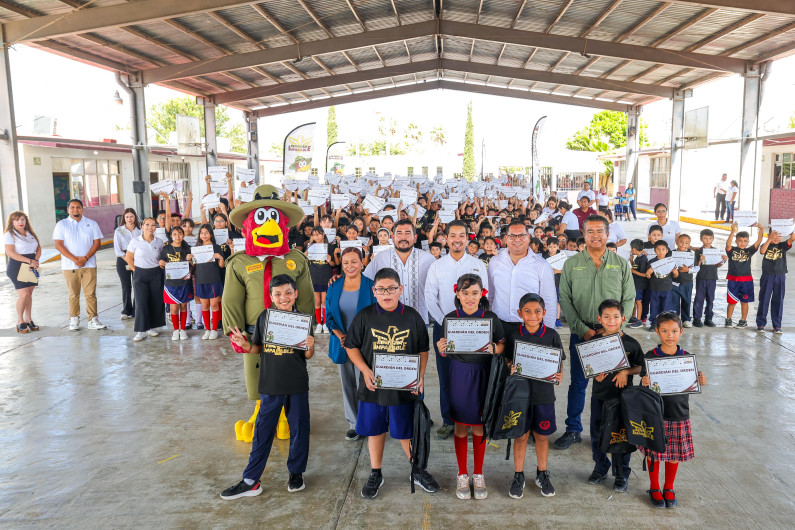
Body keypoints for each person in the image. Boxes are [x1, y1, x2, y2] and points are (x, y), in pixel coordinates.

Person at [344, 267, 440, 499]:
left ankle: (417, 470)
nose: (387, 293)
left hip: (403, 387)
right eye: (381, 289)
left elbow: (422, 350)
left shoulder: (412, 316)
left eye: (391, 288)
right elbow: (351, 346)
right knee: (375, 431)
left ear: (400, 290)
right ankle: (376, 472)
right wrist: (365, 370)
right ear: (374, 291)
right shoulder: (365, 315)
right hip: (373, 386)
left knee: (406, 431)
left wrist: (420, 376)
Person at [220, 275, 315, 500]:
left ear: (296, 294)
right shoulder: (265, 317)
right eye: (278, 294)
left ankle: (296, 473)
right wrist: (246, 345)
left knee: (299, 430)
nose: (284, 297)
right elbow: (258, 348)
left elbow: (308, 355)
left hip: (296, 383)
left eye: (288, 293)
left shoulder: (303, 319)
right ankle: (251, 480)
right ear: (271, 296)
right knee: (263, 432)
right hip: (271, 385)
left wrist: (311, 346)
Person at [555, 215, 635, 450]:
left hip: (613, 336)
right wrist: (583, 329)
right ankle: (573, 430)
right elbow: (565, 300)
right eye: (590, 231)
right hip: (582, 334)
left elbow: (629, 298)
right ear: (583, 234)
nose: (595, 235)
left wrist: (617, 327)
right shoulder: (572, 264)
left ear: (608, 234)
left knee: (610, 385)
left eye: (600, 230)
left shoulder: (621, 265)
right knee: (578, 384)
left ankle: (606, 431)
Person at [436, 274, 504, 500]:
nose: (470, 298)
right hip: (459, 374)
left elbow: (503, 344)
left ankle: (478, 473)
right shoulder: (449, 318)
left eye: (474, 293)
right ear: (457, 294)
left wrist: (496, 349)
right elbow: (446, 350)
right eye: (465, 293)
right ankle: (462, 473)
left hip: (483, 374)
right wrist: (441, 347)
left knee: (479, 426)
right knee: (460, 425)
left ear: (482, 293)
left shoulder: (491, 318)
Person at [425, 220, 489, 440]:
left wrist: (471, 322)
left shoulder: (478, 264)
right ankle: (448, 420)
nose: (457, 239)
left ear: (467, 237)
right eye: (452, 235)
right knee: (447, 376)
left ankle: (476, 417)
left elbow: (485, 294)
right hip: (445, 328)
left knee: (476, 374)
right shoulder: (437, 266)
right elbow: (429, 298)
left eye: (461, 235)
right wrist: (449, 322)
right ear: (446, 238)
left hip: (475, 329)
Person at [640, 312, 707, 508]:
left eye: (674, 331)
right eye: (665, 331)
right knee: (654, 453)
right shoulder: (650, 356)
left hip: (678, 413)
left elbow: (692, 381)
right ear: (657, 331)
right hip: (655, 414)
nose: (670, 335)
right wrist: (644, 382)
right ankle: (654, 487)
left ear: (681, 332)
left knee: (673, 454)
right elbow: (643, 385)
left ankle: (668, 487)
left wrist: (701, 380)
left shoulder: (686, 358)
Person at [506, 293, 564, 500]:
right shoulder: (513, 334)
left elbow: (559, 360)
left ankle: (542, 473)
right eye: (527, 311)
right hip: (519, 395)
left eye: (537, 311)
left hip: (543, 395)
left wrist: (559, 373)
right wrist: (510, 367)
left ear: (544, 313)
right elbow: (506, 360)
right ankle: (518, 475)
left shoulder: (551, 335)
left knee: (541, 435)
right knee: (520, 435)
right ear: (520, 313)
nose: (532, 315)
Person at [588, 299, 644, 492]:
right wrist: (595, 373)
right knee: (597, 433)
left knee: (621, 436)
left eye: (615, 316)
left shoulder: (631, 343)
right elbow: (587, 367)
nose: (611, 320)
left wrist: (625, 372)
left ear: (623, 318)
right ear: (599, 319)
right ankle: (600, 467)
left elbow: (642, 367)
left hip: (623, 398)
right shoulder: (594, 342)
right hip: (600, 396)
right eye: (606, 316)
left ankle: (621, 474)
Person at [325, 247, 376, 442]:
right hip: (342, 342)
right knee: (347, 383)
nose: (349, 266)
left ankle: (367, 421)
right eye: (345, 262)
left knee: (365, 383)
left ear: (362, 263)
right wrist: (340, 335)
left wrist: (359, 337)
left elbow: (374, 315)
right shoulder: (334, 286)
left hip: (364, 343)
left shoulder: (371, 286)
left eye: (354, 261)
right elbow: (329, 315)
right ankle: (354, 424)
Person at [487, 220, 557, 349]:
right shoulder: (494, 263)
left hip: (530, 328)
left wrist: (546, 333)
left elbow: (549, 301)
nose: (517, 239)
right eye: (512, 236)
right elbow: (490, 296)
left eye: (522, 235)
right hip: (499, 327)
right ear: (506, 238)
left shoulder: (541, 265)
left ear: (528, 238)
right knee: (499, 367)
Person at [363, 219, 436, 327]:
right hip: (388, 321)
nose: (403, 237)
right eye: (399, 233)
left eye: (407, 233)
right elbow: (364, 280)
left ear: (415, 238)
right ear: (393, 238)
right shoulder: (381, 258)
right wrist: (341, 279)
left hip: (419, 320)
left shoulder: (428, 259)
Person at [53, 199, 106, 331]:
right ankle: (74, 319)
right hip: (69, 266)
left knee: (90, 294)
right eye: (72, 207)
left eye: (78, 207)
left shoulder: (91, 224)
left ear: (82, 209)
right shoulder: (61, 224)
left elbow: (97, 243)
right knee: (73, 294)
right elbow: (58, 245)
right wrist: (75, 259)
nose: (75, 209)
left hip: (89, 265)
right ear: (68, 210)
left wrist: (85, 258)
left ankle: (93, 319)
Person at [125, 217, 166, 341]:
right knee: (141, 302)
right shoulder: (135, 241)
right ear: (142, 226)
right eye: (147, 224)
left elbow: (162, 258)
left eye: (153, 225)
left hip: (156, 274)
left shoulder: (159, 241)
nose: (150, 227)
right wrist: (135, 270)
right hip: (140, 274)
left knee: (155, 301)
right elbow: (129, 257)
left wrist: (162, 264)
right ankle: (141, 330)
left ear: (156, 227)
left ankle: (151, 327)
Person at [4, 211, 41, 333]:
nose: (20, 222)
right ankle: (19, 321)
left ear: (26, 221)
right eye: (17, 220)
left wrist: (35, 260)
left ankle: (28, 319)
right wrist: (29, 261)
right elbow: (10, 253)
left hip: (31, 265)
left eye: (23, 219)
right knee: (23, 294)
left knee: (29, 294)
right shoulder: (10, 235)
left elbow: (38, 247)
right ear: (12, 222)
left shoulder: (30, 233)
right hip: (17, 266)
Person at [724, 222, 763, 328]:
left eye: (745, 241)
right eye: (740, 241)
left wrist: (761, 230)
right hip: (733, 280)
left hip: (746, 281)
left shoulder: (749, 251)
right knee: (731, 302)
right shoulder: (731, 250)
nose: (742, 243)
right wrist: (732, 231)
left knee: (744, 302)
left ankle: (743, 320)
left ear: (748, 242)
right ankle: (728, 319)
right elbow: (727, 244)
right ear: (736, 241)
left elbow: (759, 241)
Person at [159, 225, 194, 341]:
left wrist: (190, 260)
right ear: (171, 236)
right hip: (171, 284)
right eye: (175, 234)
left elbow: (193, 268)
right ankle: (175, 330)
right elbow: (161, 264)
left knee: (184, 306)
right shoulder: (166, 249)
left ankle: (182, 330)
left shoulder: (188, 248)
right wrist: (161, 263)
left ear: (183, 235)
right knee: (174, 308)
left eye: (180, 233)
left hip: (184, 282)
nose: (177, 236)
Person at [756, 228, 794, 333]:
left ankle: (777, 325)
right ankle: (761, 323)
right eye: (774, 236)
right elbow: (762, 251)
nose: (776, 238)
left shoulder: (783, 246)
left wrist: (791, 229)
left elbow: (793, 238)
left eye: (779, 236)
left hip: (780, 276)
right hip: (767, 276)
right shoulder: (766, 245)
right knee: (764, 299)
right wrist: (769, 239)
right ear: (769, 235)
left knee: (778, 300)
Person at [194, 223, 226, 339]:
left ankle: (214, 330)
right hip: (201, 280)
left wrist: (220, 257)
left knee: (214, 305)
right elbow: (194, 266)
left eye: (206, 232)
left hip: (214, 280)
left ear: (211, 234)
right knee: (205, 306)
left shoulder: (216, 247)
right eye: (202, 233)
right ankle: (207, 329)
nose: (204, 235)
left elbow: (221, 266)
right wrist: (189, 259)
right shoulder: (196, 248)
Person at [692, 229, 726, 328]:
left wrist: (723, 261)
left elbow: (717, 265)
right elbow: (695, 266)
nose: (708, 240)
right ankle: (697, 318)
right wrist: (700, 260)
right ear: (701, 239)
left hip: (712, 277)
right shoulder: (698, 251)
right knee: (699, 298)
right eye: (705, 238)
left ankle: (708, 318)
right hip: (701, 277)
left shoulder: (716, 251)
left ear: (713, 239)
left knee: (710, 298)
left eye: (710, 238)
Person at [113, 208, 140, 321]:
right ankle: (126, 310)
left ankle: (136, 310)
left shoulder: (140, 230)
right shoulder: (119, 231)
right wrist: (128, 259)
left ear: (135, 217)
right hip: (123, 258)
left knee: (137, 285)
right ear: (124, 218)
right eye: (127, 217)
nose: (129, 219)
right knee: (126, 286)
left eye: (132, 216)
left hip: (138, 258)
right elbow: (117, 249)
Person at [645, 240, 678, 330]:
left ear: (667, 251)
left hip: (667, 288)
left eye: (663, 249)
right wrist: (648, 272)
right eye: (658, 249)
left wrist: (675, 272)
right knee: (654, 306)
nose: (661, 251)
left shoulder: (670, 262)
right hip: (654, 288)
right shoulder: (651, 262)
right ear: (655, 251)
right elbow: (647, 277)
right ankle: (654, 323)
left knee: (666, 307)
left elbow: (676, 276)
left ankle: (665, 323)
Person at [671, 234, 696, 328]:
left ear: (689, 244)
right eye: (681, 242)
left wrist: (688, 270)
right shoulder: (671, 253)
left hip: (687, 283)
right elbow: (668, 265)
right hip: (674, 282)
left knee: (687, 301)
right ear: (677, 242)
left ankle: (686, 319)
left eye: (686, 243)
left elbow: (697, 268)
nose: (683, 244)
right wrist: (672, 271)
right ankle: (675, 319)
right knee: (674, 302)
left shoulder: (691, 255)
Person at [628, 239, 649, 328]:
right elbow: (636, 268)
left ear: (634, 249)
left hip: (640, 284)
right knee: (634, 300)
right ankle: (633, 317)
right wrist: (632, 261)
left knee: (638, 301)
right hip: (635, 282)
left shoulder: (643, 259)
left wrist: (632, 270)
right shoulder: (638, 258)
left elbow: (643, 274)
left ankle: (639, 320)